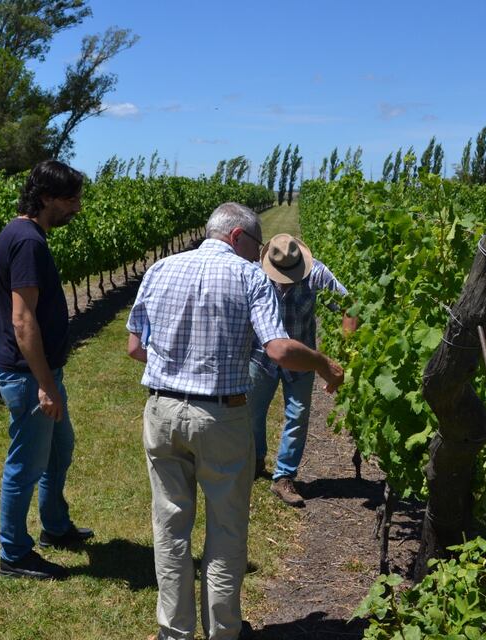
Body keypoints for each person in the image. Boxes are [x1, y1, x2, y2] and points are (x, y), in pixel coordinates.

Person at [126, 203, 344, 640]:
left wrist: (177, 367)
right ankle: (223, 632)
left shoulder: (160, 269)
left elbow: (135, 347)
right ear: (237, 236)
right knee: (225, 530)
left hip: (162, 411)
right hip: (220, 415)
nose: (256, 254)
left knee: (170, 529)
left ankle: (175, 633)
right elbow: (279, 350)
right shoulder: (250, 277)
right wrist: (323, 363)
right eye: (255, 245)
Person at [0, 160, 94, 581]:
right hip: (30, 377)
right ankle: (14, 554)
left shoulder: (24, 234)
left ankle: (54, 527)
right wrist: (46, 386)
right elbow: (22, 320)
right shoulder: (28, 242)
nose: (77, 208)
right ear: (47, 198)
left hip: (38, 375)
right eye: (71, 199)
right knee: (26, 465)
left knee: (58, 451)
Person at [249, 234, 357, 508]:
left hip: (303, 358)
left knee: (297, 414)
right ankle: (255, 459)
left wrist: (347, 348)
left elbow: (349, 306)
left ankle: (284, 477)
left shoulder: (316, 273)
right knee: (252, 411)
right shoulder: (254, 273)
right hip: (262, 354)